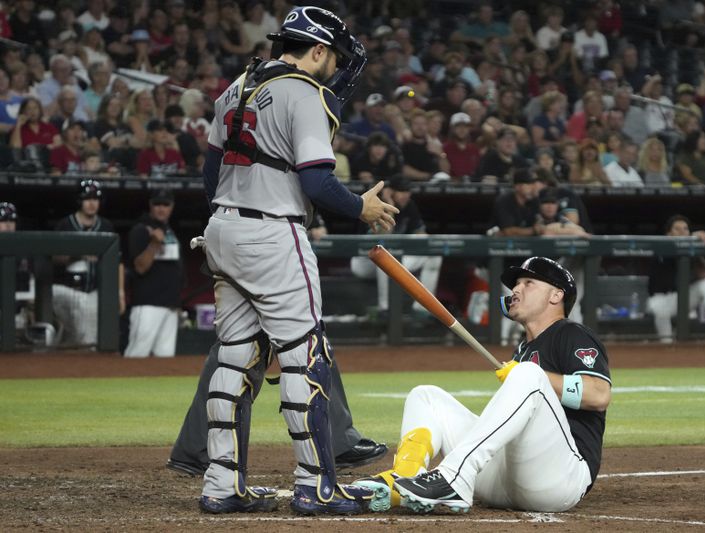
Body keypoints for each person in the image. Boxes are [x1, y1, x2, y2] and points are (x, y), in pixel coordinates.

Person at [199, 6, 398, 516]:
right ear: (317, 50)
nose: (336, 66)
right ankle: (315, 485)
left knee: (234, 356)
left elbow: (209, 170)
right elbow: (316, 181)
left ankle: (222, 483)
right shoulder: (304, 92)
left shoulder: (238, 84)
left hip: (222, 229)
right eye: (333, 55)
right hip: (272, 232)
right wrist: (362, 207)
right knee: (304, 355)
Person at [354, 257, 611, 514]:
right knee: (426, 397)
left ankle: (454, 477)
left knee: (528, 374)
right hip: (504, 479)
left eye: (528, 283)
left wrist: (531, 375)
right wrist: (523, 371)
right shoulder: (523, 350)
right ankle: (403, 479)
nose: (516, 290)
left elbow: (598, 394)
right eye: (516, 285)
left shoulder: (571, 334)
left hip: (559, 479)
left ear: (556, 296)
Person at [350, 176, 441, 317]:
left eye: (407, 191)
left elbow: (422, 235)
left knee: (434, 255)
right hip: (364, 262)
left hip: (392, 259)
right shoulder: (375, 205)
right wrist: (389, 204)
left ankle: (422, 309)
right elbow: (382, 238)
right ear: (390, 191)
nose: (406, 195)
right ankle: (385, 309)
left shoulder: (409, 205)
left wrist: (418, 237)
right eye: (401, 191)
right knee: (385, 256)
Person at [646, 215, 705, 343]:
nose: (682, 232)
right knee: (666, 339)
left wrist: (696, 247)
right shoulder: (661, 248)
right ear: (668, 234)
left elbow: (703, 274)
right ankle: (665, 345)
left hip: (681, 298)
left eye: (685, 229)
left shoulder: (689, 248)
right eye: (677, 229)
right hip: (660, 300)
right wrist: (691, 239)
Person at [52, 180, 120, 346]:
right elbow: (54, 258)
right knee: (82, 332)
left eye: (95, 199)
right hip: (66, 290)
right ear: (79, 201)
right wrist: (79, 253)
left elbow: (119, 262)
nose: (91, 203)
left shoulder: (106, 226)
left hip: (95, 290)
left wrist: (120, 292)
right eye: (87, 199)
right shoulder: (65, 225)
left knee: (87, 336)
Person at [124, 189, 183, 358]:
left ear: (172, 207)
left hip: (170, 306)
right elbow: (140, 267)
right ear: (151, 205)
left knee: (164, 359)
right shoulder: (141, 230)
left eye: (166, 204)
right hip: (147, 304)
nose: (161, 208)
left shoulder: (170, 230)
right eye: (157, 204)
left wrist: (177, 303)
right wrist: (154, 243)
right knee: (136, 355)